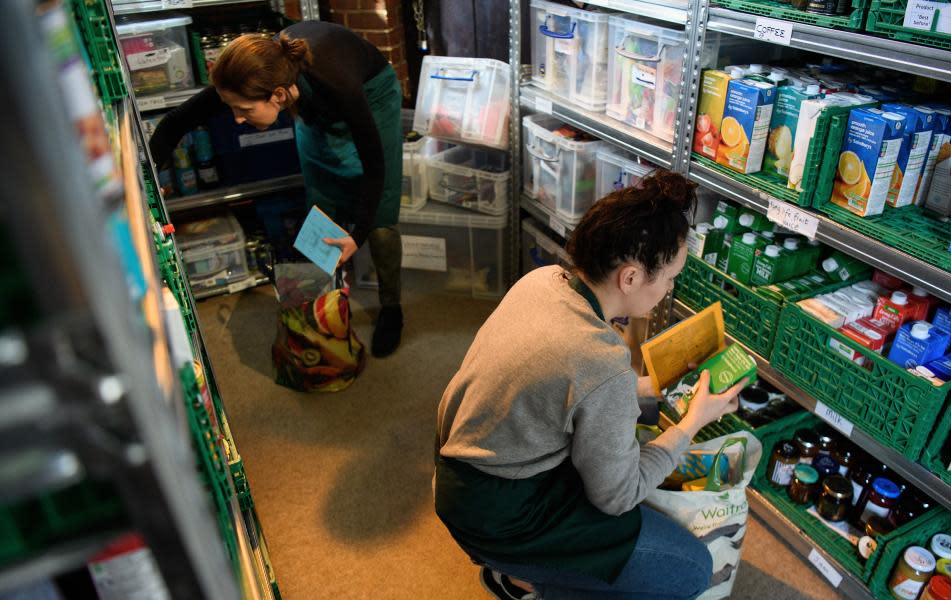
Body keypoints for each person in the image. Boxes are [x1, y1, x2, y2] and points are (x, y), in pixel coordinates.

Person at [434, 170, 747, 600]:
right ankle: (532, 580)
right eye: (670, 276)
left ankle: (521, 571)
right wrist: (689, 426)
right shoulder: (601, 362)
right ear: (631, 278)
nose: (671, 287)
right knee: (692, 570)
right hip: (500, 514)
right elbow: (619, 495)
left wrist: (653, 388)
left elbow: (572, 393)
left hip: (461, 478)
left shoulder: (541, 282)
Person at [149, 22, 404, 357]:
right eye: (232, 109)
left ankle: (392, 309)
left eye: (243, 110)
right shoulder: (248, 77)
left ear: (279, 96)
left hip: (371, 97)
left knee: (380, 219)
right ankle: (321, 311)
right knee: (321, 209)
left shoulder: (338, 83)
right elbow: (174, 123)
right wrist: (147, 184)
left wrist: (357, 235)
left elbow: (375, 168)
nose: (237, 119)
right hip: (314, 108)